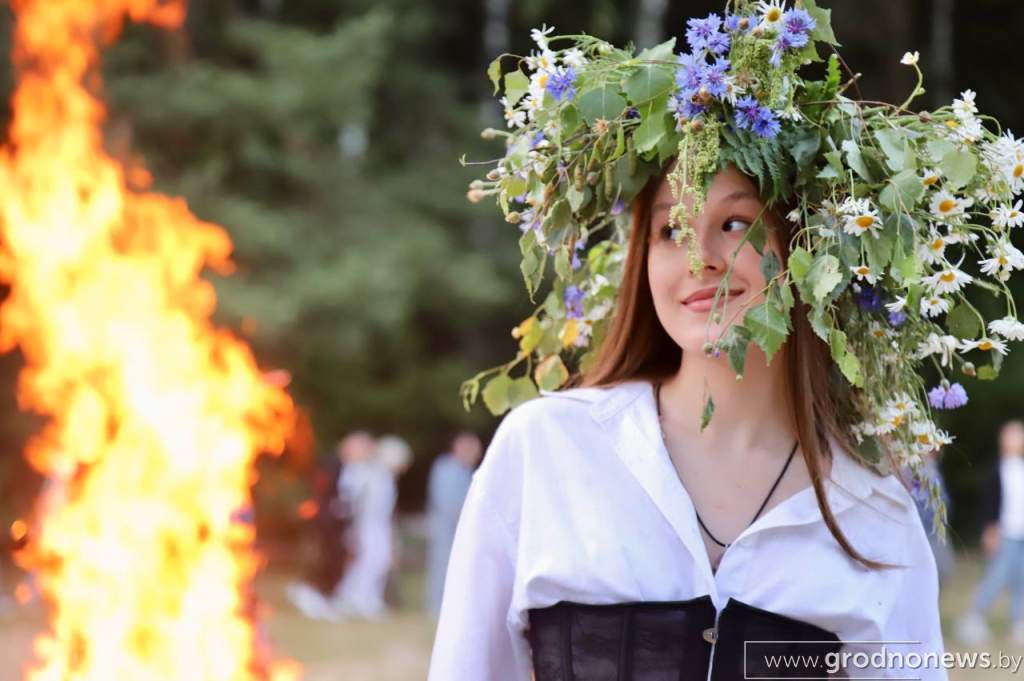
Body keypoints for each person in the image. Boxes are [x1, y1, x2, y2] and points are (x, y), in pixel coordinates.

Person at [421, 6, 1013, 677]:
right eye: (672, 230)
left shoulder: (875, 514)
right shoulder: (548, 450)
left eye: (734, 222)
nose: (699, 256)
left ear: (809, 248)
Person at [287, 430, 375, 620]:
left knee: (338, 559)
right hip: (328, 522)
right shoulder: (333, 465)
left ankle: (328, 595)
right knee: (326, 557)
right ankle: (313, 592)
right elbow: (322, 492)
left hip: (341, 524)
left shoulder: (355, 469)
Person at [957, 420, 1024, 646]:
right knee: (996, 577)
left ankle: (1018, 623)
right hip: (1004, 533)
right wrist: (989, 530)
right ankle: (972, 619)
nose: (1014, 440)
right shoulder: (996, 470)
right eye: (1010, 436)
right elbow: (989, 504)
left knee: (1021, 581)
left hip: (1021, 534)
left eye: (1018, 435)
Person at [333, 434, 413, 619]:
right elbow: (355, 501)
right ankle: (355, 598)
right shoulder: (367, 473)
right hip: (366, 526)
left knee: (380, 562)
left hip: (380, 527)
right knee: (366, 562)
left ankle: (370, 599)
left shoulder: (385, 477)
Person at [425, 431, 483, 617]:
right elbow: (448, 503)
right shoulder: (446, 468)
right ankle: (436, 606)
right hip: (447, 527)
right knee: (442, 565)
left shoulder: (467, 471)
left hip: (460, 527)